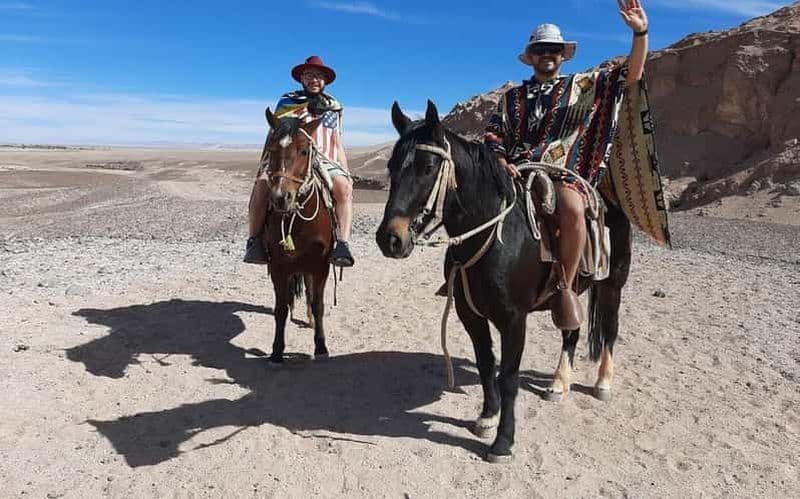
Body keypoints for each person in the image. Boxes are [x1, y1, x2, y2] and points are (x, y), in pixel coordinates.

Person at [484, 0, 649, 329]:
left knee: (572, 209)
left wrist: (640, 33)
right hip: (515, 169)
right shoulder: (511, 98)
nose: (548, 54)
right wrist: (501, 161)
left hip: (562, 172)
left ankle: (564, 288)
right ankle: (464, 274)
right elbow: (493, 134)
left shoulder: (584, 86)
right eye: (541, 49)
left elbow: (632, 74)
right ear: (531, 56)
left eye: (554, 49)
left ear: (563, 56)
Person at [244, 55, 355, 267]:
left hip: (324, 158)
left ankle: (343, 243)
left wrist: (345, 170)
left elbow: (336, 140)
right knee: (261, 186)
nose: (314, 79)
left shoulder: (334, 106)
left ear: (325, 81)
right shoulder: (287, 101)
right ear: (302, 79)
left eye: (319, 76)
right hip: (291, 157)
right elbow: (275, 135)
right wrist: (264, 164)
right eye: (309, 75)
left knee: (343, 188)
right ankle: (254, 240)